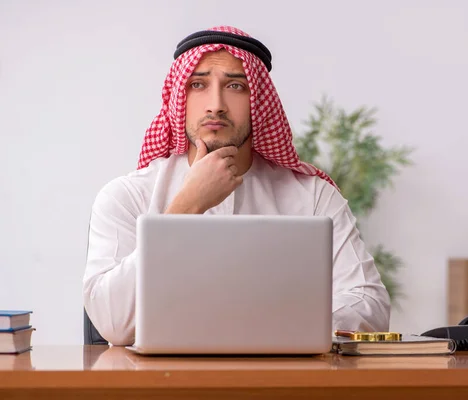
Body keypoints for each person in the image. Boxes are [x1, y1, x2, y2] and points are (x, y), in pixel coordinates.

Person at [83, 26, 391, 346]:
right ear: (180, 98)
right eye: (198, 84)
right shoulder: (127, 197)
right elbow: (114, 324)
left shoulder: (313, 197)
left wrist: (282, 326)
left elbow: (370, 304)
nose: (215, 105)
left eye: (235, 86)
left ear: (258, 101)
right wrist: (185, 208)